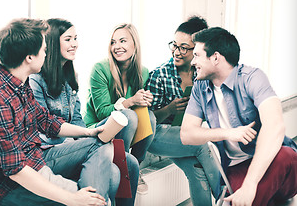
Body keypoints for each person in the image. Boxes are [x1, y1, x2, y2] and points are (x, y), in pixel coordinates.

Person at [0, 18, 118, 206]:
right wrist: (73, 199)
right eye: (44, 50)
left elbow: (45, 120)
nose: (46, 54)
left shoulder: (18, 79)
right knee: (103, 190)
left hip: (33, 159)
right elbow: (15, 170)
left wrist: (88, 132)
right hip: (3, 186)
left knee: (100, 144)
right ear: (29, 57)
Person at [180, 27, 297, 206]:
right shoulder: (199, 88)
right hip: (237, 167)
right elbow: (186, 134)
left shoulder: (253, 78)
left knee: (286, 156)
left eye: (197, 55)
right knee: (242, 198)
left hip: (272, 158)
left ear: (216, 58)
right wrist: (228, 133)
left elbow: (275, 126)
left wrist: (251, 184)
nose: (193, 61)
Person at [29, 18, 139, 205]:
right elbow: (43, 127)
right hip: (51, 150)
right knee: (111, 169)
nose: (75, 44)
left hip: (76, 142)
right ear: (54, 43)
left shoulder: (71, 77)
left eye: (75, 38)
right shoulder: (36, 79)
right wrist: (80, 140)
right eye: (68, 39)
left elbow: (77, 118)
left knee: (131, 164)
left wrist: (81, 138)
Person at [145, 16, 220, 205]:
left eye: (184, 48)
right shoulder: (160, 74)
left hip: (182, 135)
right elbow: (146, 122)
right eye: (174, 45)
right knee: (201, 143)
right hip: (156, 136)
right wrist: (169, 109)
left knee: (197, 171)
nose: (176, 52)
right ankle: (228, 198)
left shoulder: (201, 75)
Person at [83, 23, 157, 195]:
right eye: (113, 42)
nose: (117, 47)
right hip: (96, 127)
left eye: (122, 41)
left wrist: (145, 100)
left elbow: (141, 112)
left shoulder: (143, 72)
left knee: (150, 117)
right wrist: (131, 101)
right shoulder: (100, 69)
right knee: (129, 116)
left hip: (123, 133)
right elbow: (102, 112)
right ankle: (123, 167)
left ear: (134, 45)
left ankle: (134, 166)